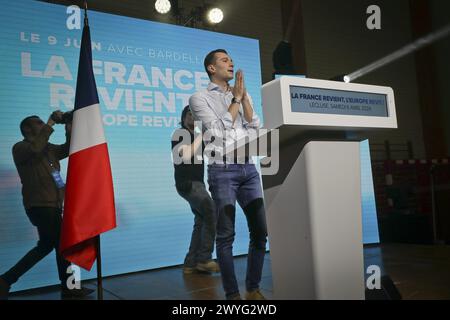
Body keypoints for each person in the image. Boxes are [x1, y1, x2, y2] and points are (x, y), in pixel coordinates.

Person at [189, 49, 268, 300]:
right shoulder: (199, 98)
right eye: (224, 60)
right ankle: (233, 295)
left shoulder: (241, 94)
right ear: (212, 68)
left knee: (260, 231)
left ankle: (253, 288)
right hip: (222, 170)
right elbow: (216, 132)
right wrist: (235, 101)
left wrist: (243, 99)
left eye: (231, 60)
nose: (231, 63)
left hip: (249, 168)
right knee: (226, 235)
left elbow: (255, 127)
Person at [0, 111, 93, 300]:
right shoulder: (21, 148)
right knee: (59, 245)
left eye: (44, 121)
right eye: (39, 122)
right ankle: (69, 287)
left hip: (54, 205)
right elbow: (35, 148)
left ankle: (6, 280)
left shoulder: (49, 149)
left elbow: (69, 148)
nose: (44, 124)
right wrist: (51, 122)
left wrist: (69, 126)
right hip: (40, 205)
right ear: (27, 129)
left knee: (48, 245)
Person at [171, 106, 220, 275]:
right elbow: (185, 155)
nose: (192, 117)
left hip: (198, 184)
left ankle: (190, 263)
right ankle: (204, 259)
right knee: (211, 211)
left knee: (201, 220)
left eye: (194, 114)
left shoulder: (196, 137)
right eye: (188, 114)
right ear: (183, 118)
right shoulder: (180, 134)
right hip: (188, 184)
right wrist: (201, 135)